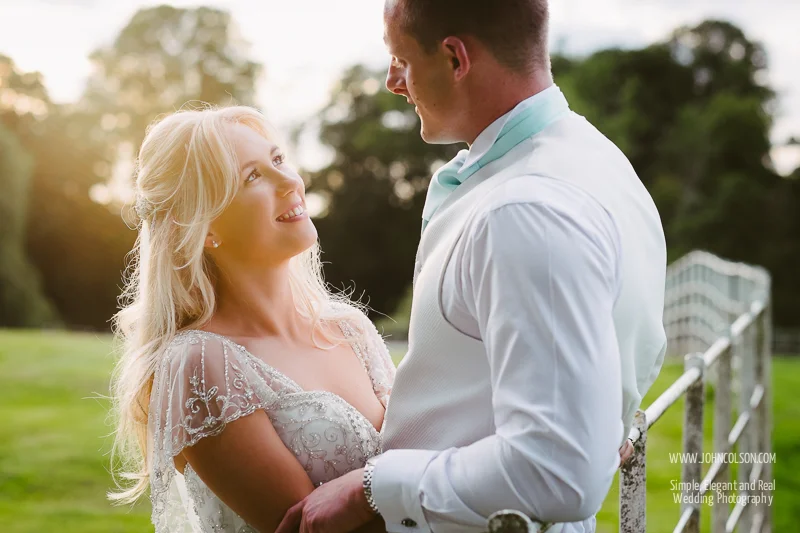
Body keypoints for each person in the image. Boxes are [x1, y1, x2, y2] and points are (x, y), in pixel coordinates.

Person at [276, 1, 667, 532]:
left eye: (401, 60)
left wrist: (373, 487)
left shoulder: (526, 212)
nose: (393, 81)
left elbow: (557, 472)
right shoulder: (596, 160)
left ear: (455, 58)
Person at [108, 105, 396, 533]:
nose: (290, 182)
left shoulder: (350, 328)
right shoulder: (201, 364)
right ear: (203, 227)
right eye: (252, 177)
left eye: (278, 160)